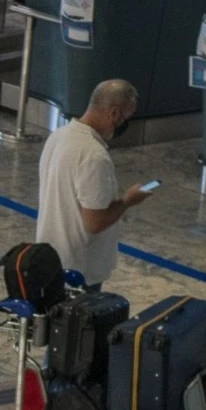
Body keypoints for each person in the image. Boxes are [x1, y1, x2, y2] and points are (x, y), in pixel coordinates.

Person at [34, 78, 149, 289]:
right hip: (79, 271)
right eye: (126, 117)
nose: (125, 124)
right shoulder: (93, 156)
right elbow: (95, 222)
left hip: (50, 257)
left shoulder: (59, 136)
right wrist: (127, 200)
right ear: (114, 113)